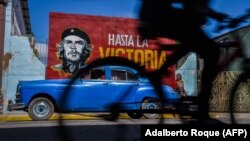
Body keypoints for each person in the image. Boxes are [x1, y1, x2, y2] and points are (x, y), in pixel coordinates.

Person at [138, 0, 228, 121]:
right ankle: (203, 108)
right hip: (157, 17)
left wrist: (207, 14)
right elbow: (194, 4)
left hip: (153, 16)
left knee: (190, 41)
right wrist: (215, 15)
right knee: (211, 51)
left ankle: (159, 72)